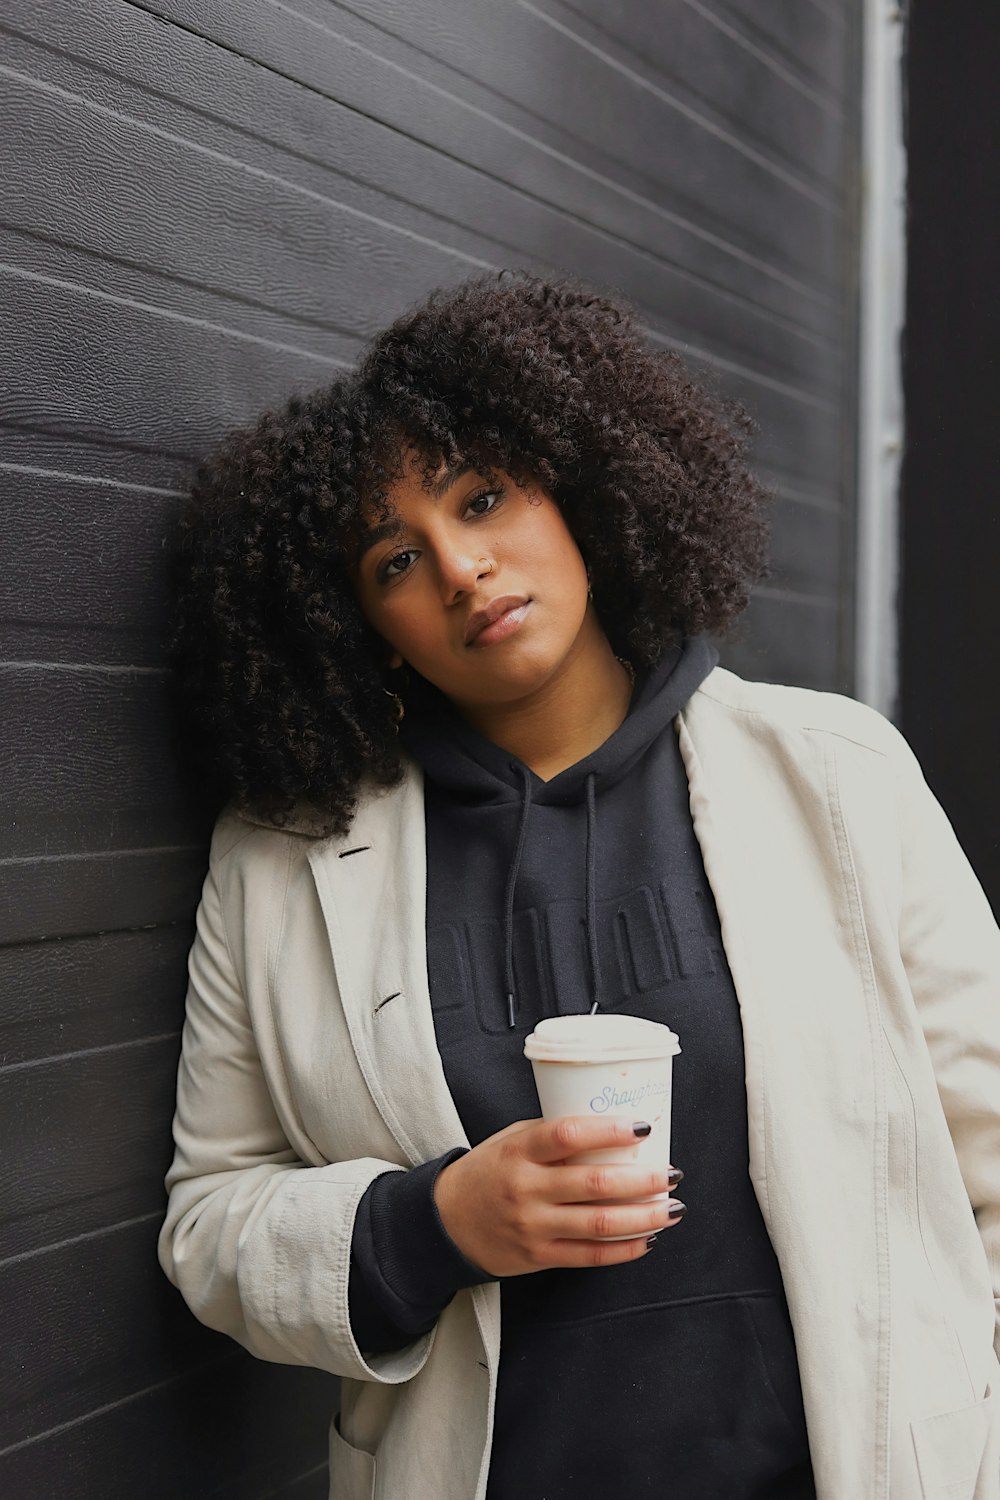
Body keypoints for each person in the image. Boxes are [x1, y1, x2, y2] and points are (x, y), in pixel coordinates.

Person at [158, 269, 1000, 1500]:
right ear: (358, 620)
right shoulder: (284, 861)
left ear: (580, 482)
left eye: (484, 497)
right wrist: (435, 1223)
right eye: (394, 558)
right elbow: (210, 1220)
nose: (460, 567)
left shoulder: (835, 777)